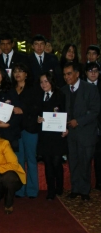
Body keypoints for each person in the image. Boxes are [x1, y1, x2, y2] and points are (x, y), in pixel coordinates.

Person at [61, 62, 100, 200]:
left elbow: (95, 111)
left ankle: (84, 191)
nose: (66, 77)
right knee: (73, 161)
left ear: (77, 74)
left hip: (86, 133)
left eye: (69, 73)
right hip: (70, 134)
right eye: (65, 74)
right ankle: (75, 188)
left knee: (85, 162)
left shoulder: (90, 89)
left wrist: (79, 121)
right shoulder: (63, 90)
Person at [11, 63, 42, 198]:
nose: (18, 74)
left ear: (26, 74)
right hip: (15, 129)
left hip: (30, 128)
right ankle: (19, 189)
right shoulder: (11, 89)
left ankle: (32, 190)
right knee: (19, 160)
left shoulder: (33, 89)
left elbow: (37, 107)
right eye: (15, 71)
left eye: (21, 71)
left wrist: (22, 110)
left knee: (31, 160)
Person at [37, 71, 68, 200]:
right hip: (44, 135)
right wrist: (37, 118)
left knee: (56, 162)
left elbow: (66, 111)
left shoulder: (60, 95)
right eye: (41, 82)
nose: (43, 84)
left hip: (57, 135)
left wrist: (66, 127)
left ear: (51, 81)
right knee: (48, 162)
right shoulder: (39, 96)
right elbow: (34, 112)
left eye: (46, 81)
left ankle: (59, 187)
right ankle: (51, 190)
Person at [84, 62, 101, 191]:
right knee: (86, 157)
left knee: (99, 156)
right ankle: (84, 185)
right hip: (85, 127)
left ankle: (99, 182)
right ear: (86, 73)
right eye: (90, 70)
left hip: (99, 127)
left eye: (96, 70)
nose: (93, 73)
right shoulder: (81, 87)